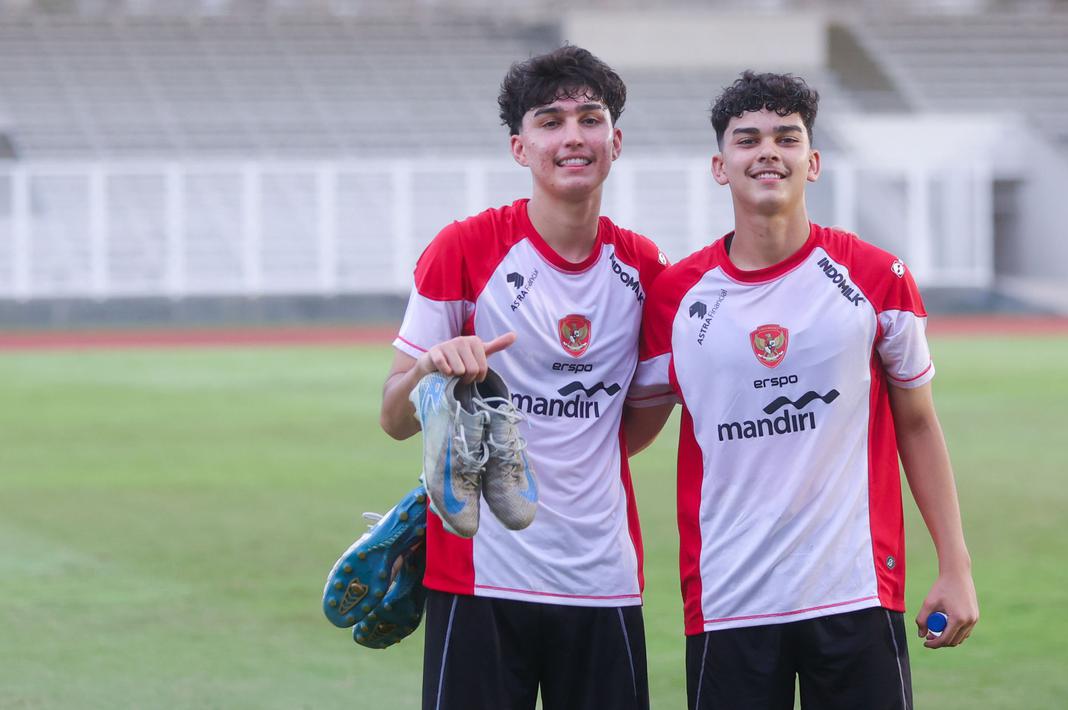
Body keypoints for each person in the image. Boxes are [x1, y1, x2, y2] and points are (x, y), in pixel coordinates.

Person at [624, 71, 979, 709]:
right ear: (719, 164)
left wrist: (956, 567)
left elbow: (918, 424)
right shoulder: (675, 297)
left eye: (787, 138)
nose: (768, 151)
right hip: (730, 599)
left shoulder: (877, 277)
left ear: (811, 163)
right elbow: (625, 432)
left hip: (855, 593)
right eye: (748, 138)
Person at [379, 46, 667, 710]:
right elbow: (393, 416)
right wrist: (430, 367)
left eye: (589, 118)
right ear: (519, 146)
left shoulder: (647, 271)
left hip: (602, 578)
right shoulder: (464, 249)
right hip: (478, 579)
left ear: (614, 141)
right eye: (549, 120)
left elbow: (630, 429)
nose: (572, 136)